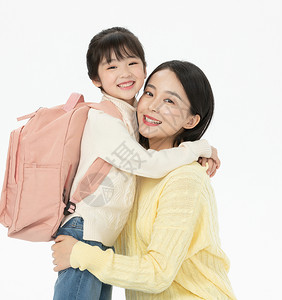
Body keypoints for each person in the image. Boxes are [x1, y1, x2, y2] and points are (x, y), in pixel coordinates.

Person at [53, 28, 220, 300]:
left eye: (169, 101)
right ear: (96, 79)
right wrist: (197, 148)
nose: (152, 106)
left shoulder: (184, 179)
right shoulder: (120, 140)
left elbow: (157, 273)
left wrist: (196, 149)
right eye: (150, 93)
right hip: (87, 231)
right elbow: (145, 161)